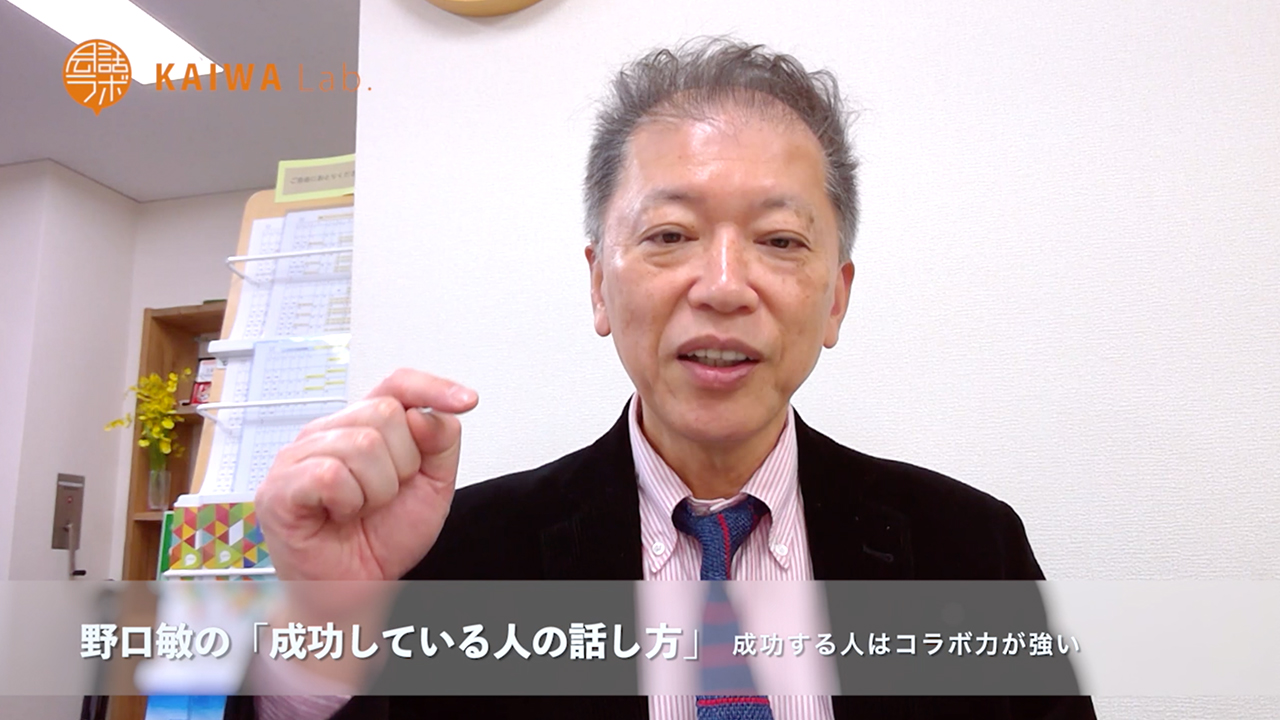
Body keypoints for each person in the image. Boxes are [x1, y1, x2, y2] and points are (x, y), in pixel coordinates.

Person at [238, 37, 1096, 720]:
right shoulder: (455, 561)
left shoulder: (970, 550)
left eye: (781, 241)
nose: (722, 286)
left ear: (835, 299)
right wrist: (325, 625)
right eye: (670, 235)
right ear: (598, 285)